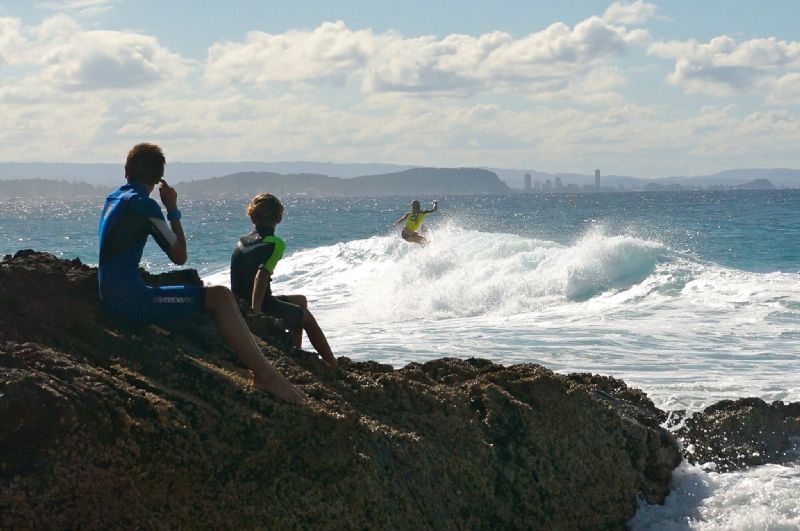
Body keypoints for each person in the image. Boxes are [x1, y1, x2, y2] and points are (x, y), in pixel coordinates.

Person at [98, 143, 307, 404]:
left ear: (126, 171)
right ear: (158, 178)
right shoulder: (143, 205)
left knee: (209, 295)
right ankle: (267, 376)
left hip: (110, 293)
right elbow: (179, 255)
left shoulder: (114, 197)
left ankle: (265, 373)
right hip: (127, 300)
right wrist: (172, 208)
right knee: (220, 297)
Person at [230, 193, 339, 371]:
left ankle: (295, 353)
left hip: (239, 303)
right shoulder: (274, 243)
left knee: (301, 301)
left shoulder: (241, 242)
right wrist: (255, 314)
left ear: (252, 217)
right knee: (308, 320)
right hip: (259, 305)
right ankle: (334, 366)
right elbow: (261, 276)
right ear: (279, 219)